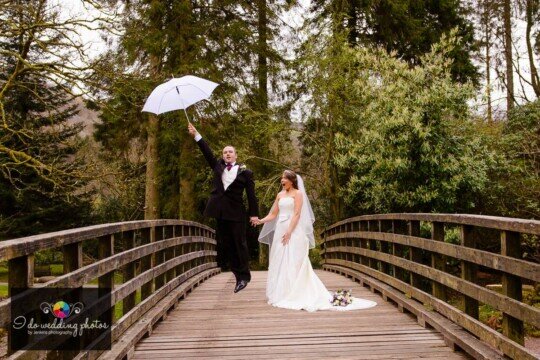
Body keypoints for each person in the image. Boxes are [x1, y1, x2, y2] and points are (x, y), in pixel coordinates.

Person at [254, 170, 377, 311]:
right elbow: (273, 214)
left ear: (291, 180)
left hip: (292, 231)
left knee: (294, 260)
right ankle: (282, 292)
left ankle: (295, 292)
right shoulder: (280, 195)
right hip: (280, 230)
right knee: (280, 259)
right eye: (281, 178)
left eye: (284, 178)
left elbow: (297, 214)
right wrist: (260, 221)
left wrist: (289, 232)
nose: (282, 180)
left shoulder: (298, 194)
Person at [188, 122, 259, 293]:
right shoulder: (217, 167)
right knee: (227, 245)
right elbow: (207, 152)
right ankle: (237, 276)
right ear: (223, 156)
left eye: (230, 152)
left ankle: (244, 276)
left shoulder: (245, 172)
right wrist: (196, 135)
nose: (227, 154)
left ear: (236, 155)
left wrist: (254, 214)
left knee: (240, 244)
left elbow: (251, 195)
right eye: (225, 152)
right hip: (220, 212)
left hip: (236, 213)